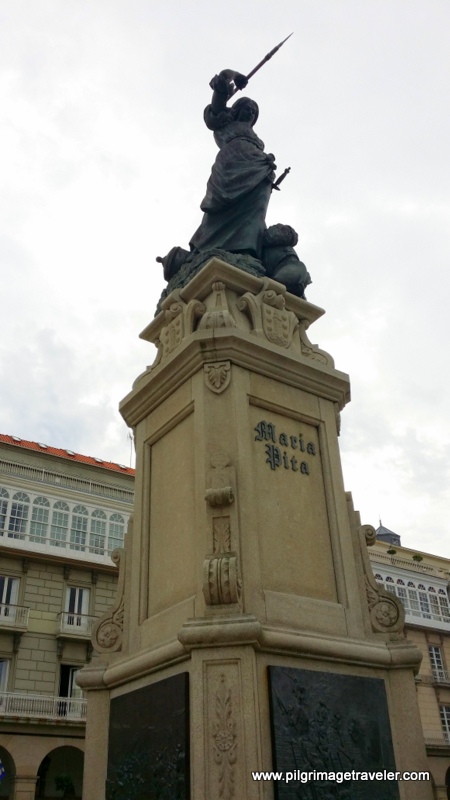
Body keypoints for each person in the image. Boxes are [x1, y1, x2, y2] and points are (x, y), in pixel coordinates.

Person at [189, 70, 276, 259]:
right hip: (231, 165)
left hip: (258, 169)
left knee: (256, 207)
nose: (251, 112)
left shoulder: (254, 136)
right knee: (221, 206)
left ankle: (246, 248)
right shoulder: (224, 120)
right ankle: (205, 246)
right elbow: (221, 87)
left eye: (254, 111)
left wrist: (267, 161)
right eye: (248, 107)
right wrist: (234, 75)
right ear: (236, 109)